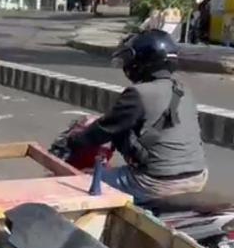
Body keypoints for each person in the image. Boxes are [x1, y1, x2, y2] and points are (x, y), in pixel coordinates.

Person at [65, 29, 207, 203]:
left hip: (156, 182)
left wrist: (73, 141)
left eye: (130, 59)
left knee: (81, 184)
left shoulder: (138, 93)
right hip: (197, 176)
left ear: (144, 61)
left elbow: (104, 129)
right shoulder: (184, 90)